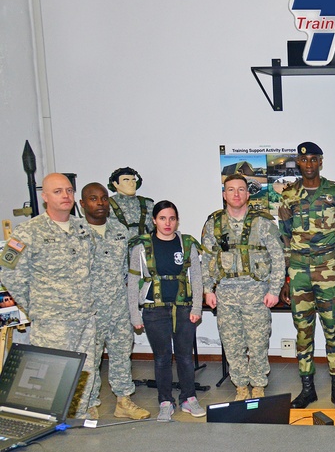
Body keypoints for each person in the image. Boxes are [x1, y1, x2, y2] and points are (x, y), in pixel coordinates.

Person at [0, 174, 99, 419]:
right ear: (44, 197)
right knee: (53, 379)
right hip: (53, 321)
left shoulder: (83, 228)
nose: (65, 196)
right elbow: (8, 271)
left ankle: (79, 418)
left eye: (68, 190)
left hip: (86, 317)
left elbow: (93, 266)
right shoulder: (28, 232)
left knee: (86, 372)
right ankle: (52, 425)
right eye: (57, 191)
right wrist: (35, 305)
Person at [278, 142, 335, 409]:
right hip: (298, 269)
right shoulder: (288, 195)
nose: (308, 164)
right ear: (298, 162)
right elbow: (284, 238)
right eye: (304, 159)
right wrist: (287, 278)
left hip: (328, 267)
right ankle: (307, 389)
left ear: (321, 161)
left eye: (313, 159)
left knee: (333, 328)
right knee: (303, 331)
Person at [202, 174, 285, 401]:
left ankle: (258, 386)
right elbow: (207, 259)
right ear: (224, 194)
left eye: (241, 190)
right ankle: (240, 386)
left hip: (257, 294)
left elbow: (278, 258)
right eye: (231, 190)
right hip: (226, 294)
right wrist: (208, 290)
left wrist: (274, 290)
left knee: (258, 344)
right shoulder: (213, 224)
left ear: (248, 194)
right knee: (232, 345)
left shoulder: (263, 223)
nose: (236, 194)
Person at [127, 201, 205, 422]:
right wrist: (135, 314)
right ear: (154, 220)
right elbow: (133, 282)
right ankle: (165, 401)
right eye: (162, 218)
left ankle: (189, 398)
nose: (167, 223)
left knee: (185, 357)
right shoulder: (141, 247)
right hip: (154, 309)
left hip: (183, 308)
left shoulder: (187, 244)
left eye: (172, 218)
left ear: (177, 220)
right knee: (161, 358)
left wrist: (197, 307)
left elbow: (197, 278)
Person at [80, 182, 148, 419]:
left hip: (119, 306)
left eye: (103, 199)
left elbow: (133, 269)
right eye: (93, 199)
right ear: (82, 204)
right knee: (90, 359)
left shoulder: (121, 231)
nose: (100, 203)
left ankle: (123, 401)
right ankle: (87, 403)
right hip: (90, 309)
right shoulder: (75, 233)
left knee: (121, 355)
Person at [107, 167, 154, 235]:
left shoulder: (148, 204)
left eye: (134, 180)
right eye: (126, 180)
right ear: (115, 184)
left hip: (145, 244)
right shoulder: (106, 206)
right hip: (116, 244)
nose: (132, 184)